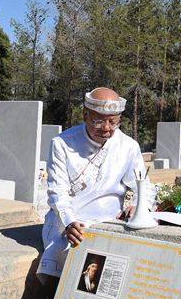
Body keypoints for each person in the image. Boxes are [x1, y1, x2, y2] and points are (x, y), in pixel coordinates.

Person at [37, 87, 154, 286]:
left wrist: (139, 205)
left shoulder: (128, 146)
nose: (106, 128)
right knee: (67, 268)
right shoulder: (62, 144)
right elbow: (57, 191)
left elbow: (143, 185)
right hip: (70, 221)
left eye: (113, 122)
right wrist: (69, 222)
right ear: (85, 115)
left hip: (111, 221)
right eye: (99, 121)